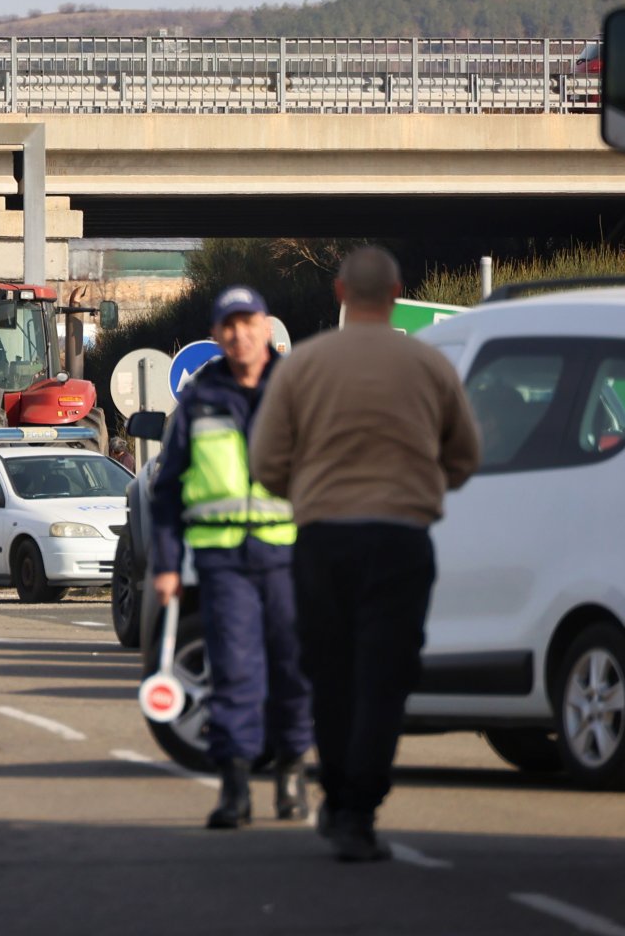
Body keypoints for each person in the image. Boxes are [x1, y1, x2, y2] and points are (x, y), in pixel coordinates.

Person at [250, 247, 481, 863]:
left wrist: (307, 491)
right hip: (402, 540)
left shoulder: (305, 365)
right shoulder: (429, 365)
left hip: (324, 539)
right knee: (385, 679)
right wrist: (422, 487)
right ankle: (359, 810)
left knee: (330, 674)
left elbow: (265, 461)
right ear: (399, 292)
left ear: (339, 291)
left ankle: (338, 796)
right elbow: (465, 455)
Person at [150, 286, 313, 830]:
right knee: (235, 671)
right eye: (229, 325)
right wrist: (168, 565)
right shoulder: (199, 399)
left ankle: (291, 771)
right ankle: (236, 788)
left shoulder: (298, 392)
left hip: (289, 554)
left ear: (266, 327)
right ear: (217, 335)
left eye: (249, 322)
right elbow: (167, 489)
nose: (240, 334)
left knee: (294, 670)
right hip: (222, 560)